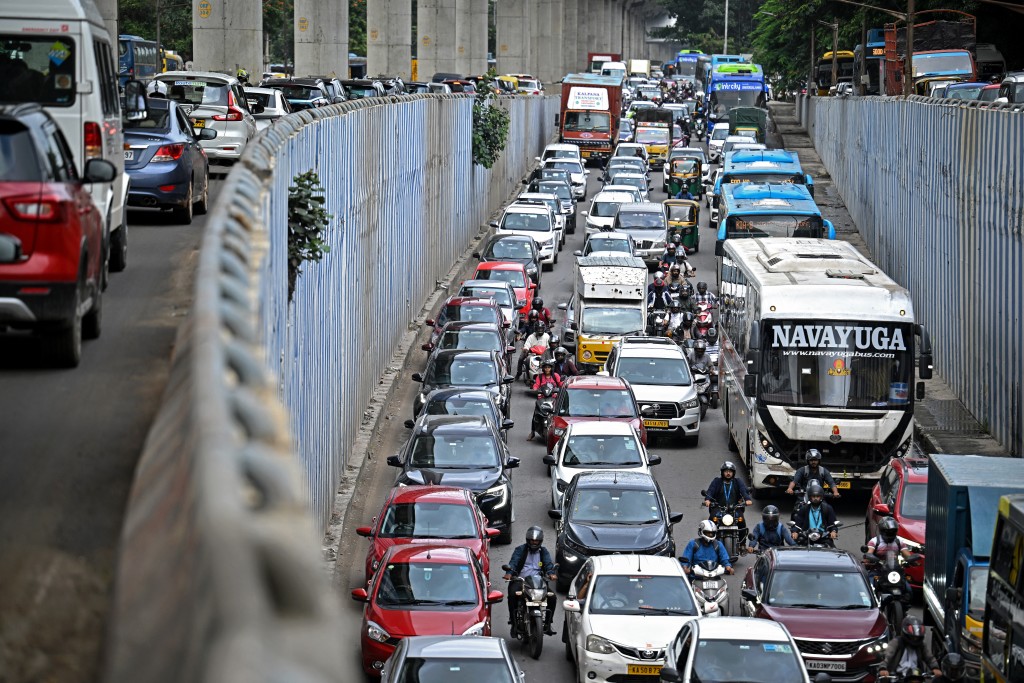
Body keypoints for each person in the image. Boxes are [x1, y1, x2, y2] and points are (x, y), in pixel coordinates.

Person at [504, 526, 558, 636]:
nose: (534, 542)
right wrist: (509, 573)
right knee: (512, 595)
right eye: (532, 540)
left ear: (540, 541)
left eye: (536, 540)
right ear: (528, 540)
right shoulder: (520, 549)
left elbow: (548, 564)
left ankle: (548, 624)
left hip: (538, 582)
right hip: (521, 581)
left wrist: (551, 573)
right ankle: (514, 624)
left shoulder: (544, 552)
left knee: (552, 597)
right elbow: (514, 562)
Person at [877, 615, 941, 679]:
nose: (915, 639)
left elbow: (929, 657)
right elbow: (887, 656)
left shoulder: (921, 645)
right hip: (898, 678)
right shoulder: (896, 642)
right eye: (913, 637)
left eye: (917, 637)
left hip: (916, 677)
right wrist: (883, 668)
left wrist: (935, 668)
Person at [864, 517, 916, 586]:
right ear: (882, 530)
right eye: (887, 531)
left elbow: (907, 555)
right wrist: (869, 559)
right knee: (870, 586)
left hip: (895, 571)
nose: (890, 533)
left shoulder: (899, 541)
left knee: (908, 589)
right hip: (878, 571)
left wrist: (912, 560)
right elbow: (868, 555)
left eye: (892, 531)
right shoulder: (874, 541)